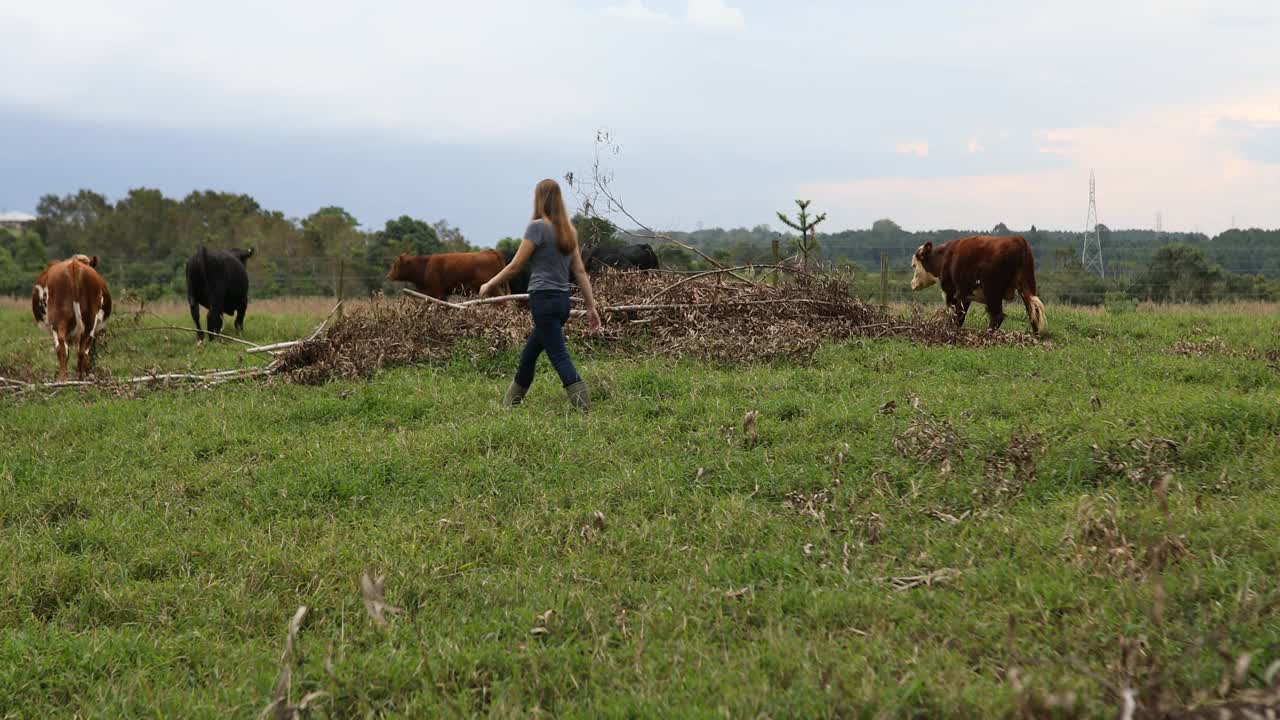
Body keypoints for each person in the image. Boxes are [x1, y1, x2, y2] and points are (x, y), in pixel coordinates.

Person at [480, 179, 602, 412]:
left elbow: (515, 266)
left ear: (538, 198)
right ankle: (508, 407)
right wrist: (590, 306)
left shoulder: (537, 227)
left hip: (543, 301)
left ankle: (585, 410)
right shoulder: (569, 231)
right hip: (562, 303)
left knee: (558, 356)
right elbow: (579, 271)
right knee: (529, 355)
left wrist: (489, 284)